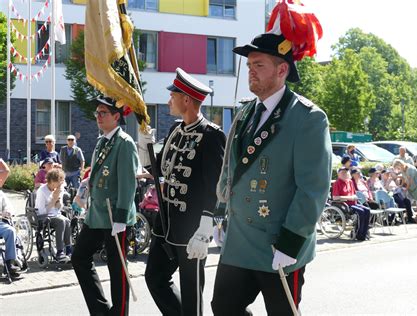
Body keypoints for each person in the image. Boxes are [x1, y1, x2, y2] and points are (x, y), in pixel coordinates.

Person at [212, 29, 331, 314]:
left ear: (282, 69)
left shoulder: (307, 117)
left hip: (278, 242)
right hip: (240, 240)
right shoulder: (245, 114)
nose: (251, 71)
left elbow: (313, 188)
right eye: (249, 65)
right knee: (224, 308)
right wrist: (219, 213)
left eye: (259, 65)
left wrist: (290, 243)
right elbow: (230, 167)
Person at [145, 68, 226, 316]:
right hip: (165, 224)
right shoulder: (174, 131)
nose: (169, 100)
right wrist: (143, 143)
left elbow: (216, 186)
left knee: (192, 293)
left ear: (187, 100)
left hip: (192, 228)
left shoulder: (211, 135)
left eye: (173, 96)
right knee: (154, 278)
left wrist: (204, 229)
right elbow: (157, 169)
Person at [71, 96, 138, 316]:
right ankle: (101, 311)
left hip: (114, 215)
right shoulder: (102, 141)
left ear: (116, 117)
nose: (98, 117)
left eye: (103, 113)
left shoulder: (125, 143)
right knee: (79, 257)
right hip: (97, 213)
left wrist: (121, 218)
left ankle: (119, 314)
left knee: (117, 270)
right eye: (97, 113)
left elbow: (129, 184)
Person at [35, 168, 72, 262]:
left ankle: (68, 249)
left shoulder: (58, 189)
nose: (60, 184)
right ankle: (60, 252)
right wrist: (53, 200)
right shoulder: (42, 191)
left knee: (67, 220)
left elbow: (59, 208)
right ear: (52, 181)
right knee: (61, 221)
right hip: (43, 217)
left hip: (55, 215)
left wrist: (58, 200)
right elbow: (42, 211)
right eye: (58, 182)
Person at [332, 168, 370, 240]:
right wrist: (349, 197)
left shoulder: (350, 182)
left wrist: (354, 197)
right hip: (343, 204)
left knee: (367, 210)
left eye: (346, 172)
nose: (344, 174)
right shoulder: (337, 183)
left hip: (353, 203)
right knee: (361, 212)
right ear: (338, 174)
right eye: (342, 172)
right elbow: (335, 198)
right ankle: (358, 234)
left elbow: (354, 194)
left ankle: (364, 233)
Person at [0, 174, 22, 277]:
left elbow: (8, 206)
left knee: (11, 231)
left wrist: (8, 211)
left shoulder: (1, 193)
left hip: (0, 223)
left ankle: (9, 262)